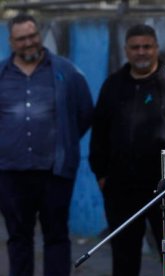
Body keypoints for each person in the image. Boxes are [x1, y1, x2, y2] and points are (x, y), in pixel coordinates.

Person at [88, 24, 165, 276]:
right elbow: (98, 134)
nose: (141, 52)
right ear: (126, 50)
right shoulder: (113, 85)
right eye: (135, 47)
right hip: (121, 191)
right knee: (124, 259)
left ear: (156, 48)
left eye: (147, 46)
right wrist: (102, 177)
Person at [0, 13, 93, 276]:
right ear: (11, 41)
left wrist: (64, 142)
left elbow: (85, 113)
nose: (28, 42)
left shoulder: (67, 71)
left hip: (55, 173)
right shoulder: (1, 74)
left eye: (32, 36)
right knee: (18, 239)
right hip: (10, 174)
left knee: (56, 237)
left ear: (39, 35)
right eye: (22, 39)